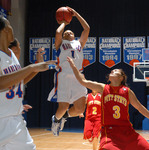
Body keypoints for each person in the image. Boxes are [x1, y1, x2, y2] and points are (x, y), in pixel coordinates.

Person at [67, 56, 149, 150]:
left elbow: (139, 107)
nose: (112, 71)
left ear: (121, 77)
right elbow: (83, 81)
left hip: (127, 131)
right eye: (111, 71)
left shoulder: (127, 91)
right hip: (110, 132)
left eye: (115, 71)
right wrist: (73, 66)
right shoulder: (103, 88)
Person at [0, 16, 56, 150]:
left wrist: (37, 66)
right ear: (6, 29)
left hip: (15, 120)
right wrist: (32, 68)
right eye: (10, 25)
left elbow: (17, 81)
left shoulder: (10, 54)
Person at [48, 6, 90, 136]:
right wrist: (64, 23)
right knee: (63, 106)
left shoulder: (79, 44)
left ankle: (63, 118)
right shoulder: (60, 44)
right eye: (66, 32)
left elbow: (87, 28)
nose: (68, 33)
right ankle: (56, 120)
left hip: (78, 77)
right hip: (64, 76)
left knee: (79, 109)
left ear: (74, 36)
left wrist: (76, 15)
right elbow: (57, 32)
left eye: (70, 32)